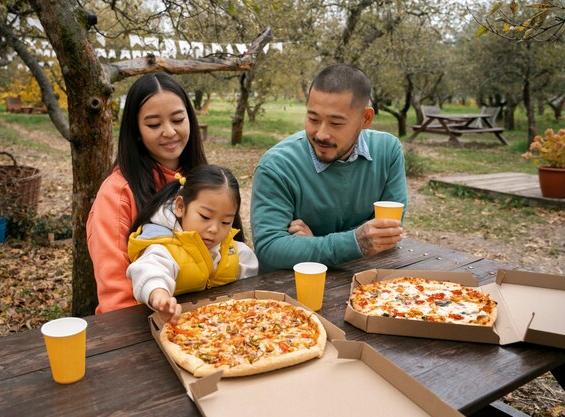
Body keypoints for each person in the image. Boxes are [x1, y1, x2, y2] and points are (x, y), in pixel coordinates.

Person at [251, 63, 408, 272]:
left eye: (336, 123)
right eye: (313, 119)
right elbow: (270, 249)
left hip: (369, 287)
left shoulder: (388, 151)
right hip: (291, 294)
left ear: (365, 118)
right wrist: (354, 242)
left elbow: (387, 233)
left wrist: (315, 242)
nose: (321, 134)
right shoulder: (276, 166)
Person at [87, 73, 207, 314]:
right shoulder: (117, 193)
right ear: (136, 131)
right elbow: (116, 294)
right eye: (154, 124)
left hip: (208, 319)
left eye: (177, 119)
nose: (170, 132)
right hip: (141, 324)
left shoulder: (202, 179)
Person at [126, 165, 259, 324]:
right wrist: (160, 296)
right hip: (169, 325)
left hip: (220, 329)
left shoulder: (234, 250)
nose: (214, 229)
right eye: (205, 216)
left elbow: (251, 282)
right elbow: (150, 270)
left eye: (225, 222)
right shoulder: (164, 244)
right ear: (180, 206)